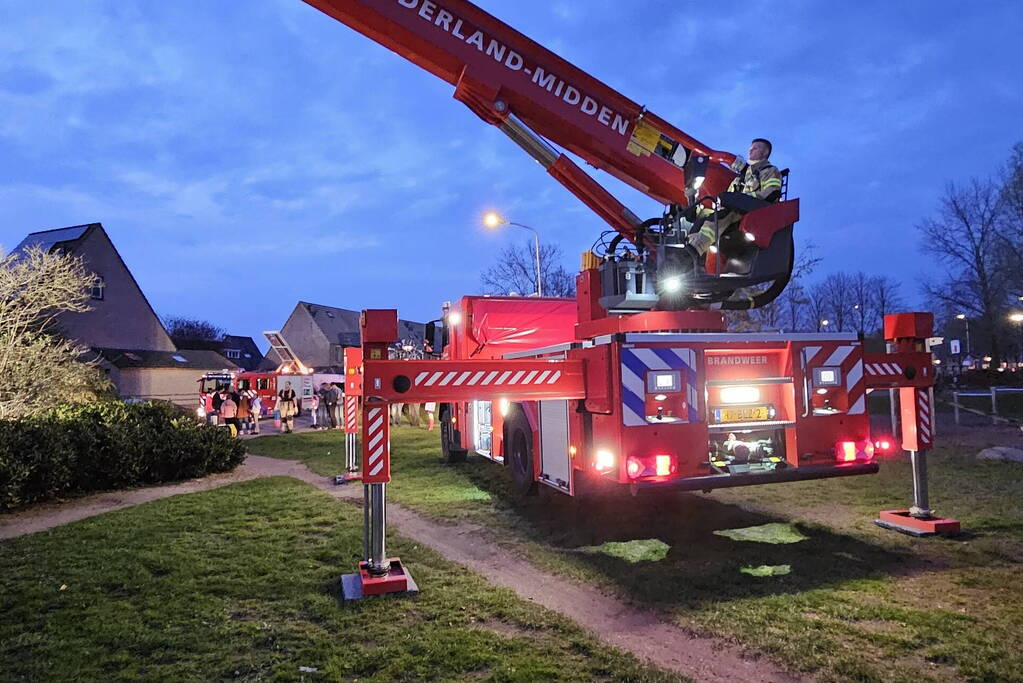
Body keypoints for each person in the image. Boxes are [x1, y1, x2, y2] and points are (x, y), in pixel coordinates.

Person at [686, 138, 784, 255]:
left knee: (722, 215)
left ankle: (694, 249)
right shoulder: (740, 178)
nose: (750, 151)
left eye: (755, 148)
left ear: (765, 153)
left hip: (754, 212)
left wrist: (743, 199)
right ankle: (688, 248)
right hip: (735, 209)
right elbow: (727, 200)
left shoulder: (770, 171)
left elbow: (771, 193)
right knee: (702, 218)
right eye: (750, 148)